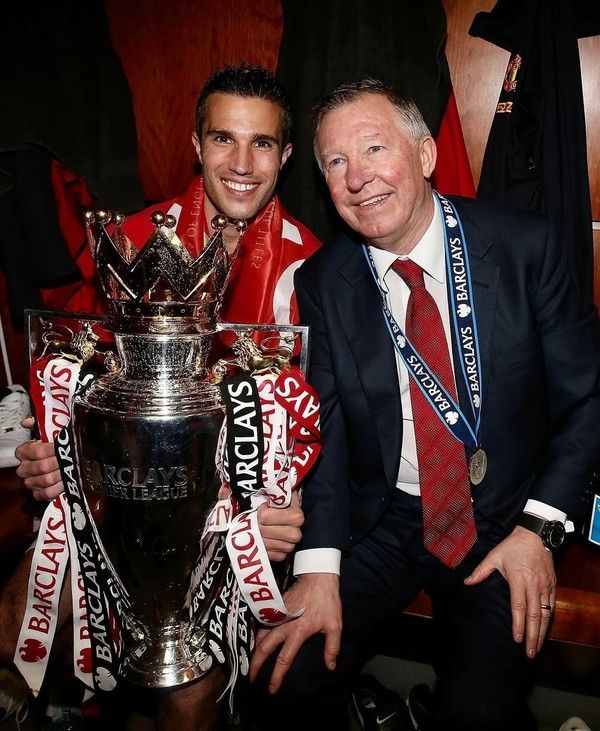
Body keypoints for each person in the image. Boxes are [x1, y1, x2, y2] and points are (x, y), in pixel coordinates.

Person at [249, 78, 600, 730]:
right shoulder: (324, 281)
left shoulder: (526, 247)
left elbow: (587, 400)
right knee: (283, 679)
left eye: (374, 148)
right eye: (335, 162)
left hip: (503, 517)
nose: (358, 178)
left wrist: (541, 528)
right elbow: (327, 431)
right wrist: (318, 567)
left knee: (479, 713)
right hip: (383, 517)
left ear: (426, 154)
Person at [2, 65, 320, 729]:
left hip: (231, 524)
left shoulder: (314, 267)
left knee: (189, 688)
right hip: (121, 497)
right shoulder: (130, 239)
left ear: (286, 156)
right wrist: (51, 450)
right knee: (17, 614)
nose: (241, 164)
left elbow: (316, 422)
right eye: (224, 139)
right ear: (196, 145)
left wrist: (286, 503)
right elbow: (73, 368)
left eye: (261, 143)